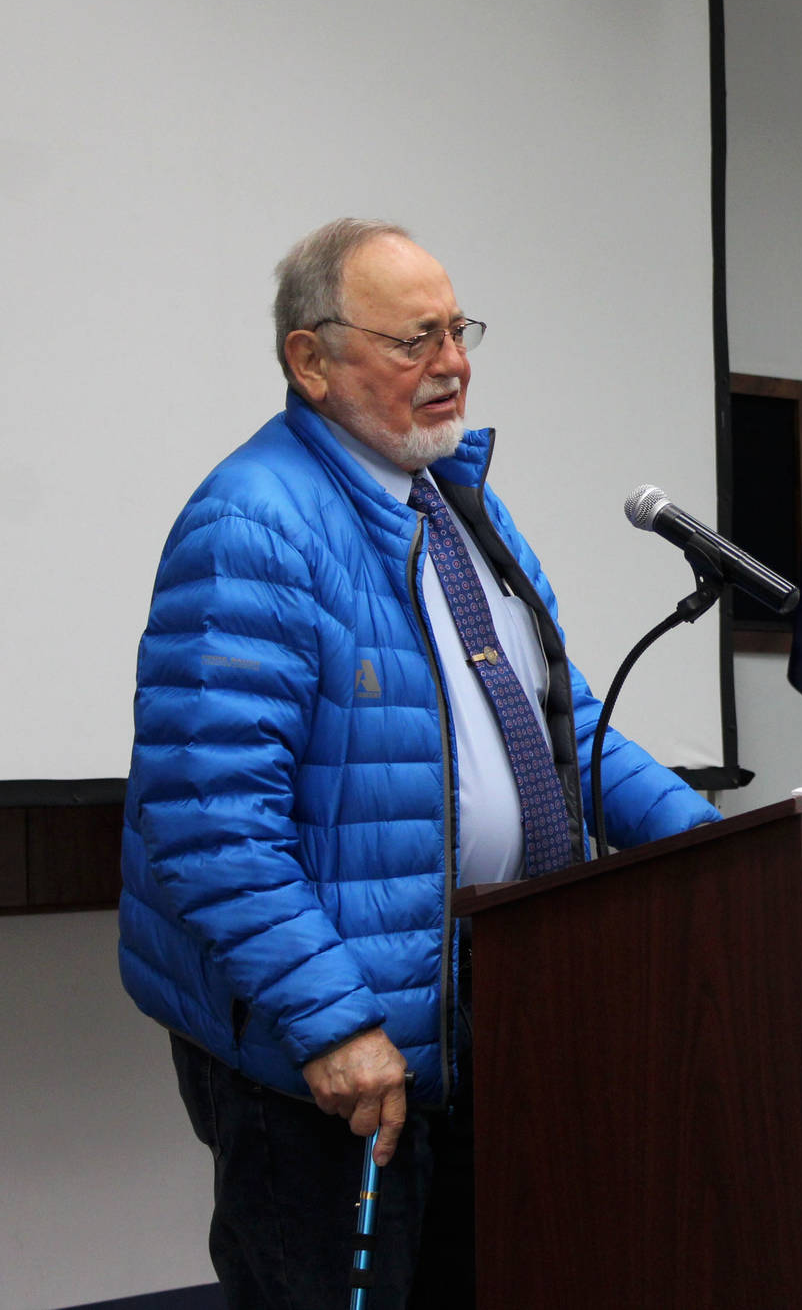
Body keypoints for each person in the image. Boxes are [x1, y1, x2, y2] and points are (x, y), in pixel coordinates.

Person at [117, 217, 722, 1309]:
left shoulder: (460, 508)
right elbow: (209, 816)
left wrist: (715, 852)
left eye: (457, 331)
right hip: (331, 1062)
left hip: (484, 1022)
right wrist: (337, 1023)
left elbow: (562, 728)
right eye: (414, 341)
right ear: (311, 359)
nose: (452, 364)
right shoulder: (254, 523)